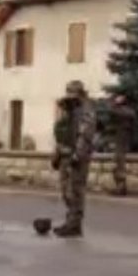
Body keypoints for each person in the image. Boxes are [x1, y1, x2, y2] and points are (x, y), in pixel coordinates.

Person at [51, 81, 97, 237]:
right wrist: (57, 154)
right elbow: (61, 131)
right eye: (68, 91)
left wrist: (78, 154)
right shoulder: (68, 109)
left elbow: (86, 134)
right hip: (65, 153)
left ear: (80, 93)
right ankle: (71, 221)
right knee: (65, 190)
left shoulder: (86, 109)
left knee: (75, 190)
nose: (70, 95)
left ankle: (74, 225)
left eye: (73, 92)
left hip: (78, 156)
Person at [108, 94, 136, 196]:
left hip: (121, 140)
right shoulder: (129, 112)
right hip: (122, 139)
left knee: (119, 164)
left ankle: (121, 188)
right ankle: (120, 187)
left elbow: (111, 110)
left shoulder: (122, 112)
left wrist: (114, 103)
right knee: (118, 164)